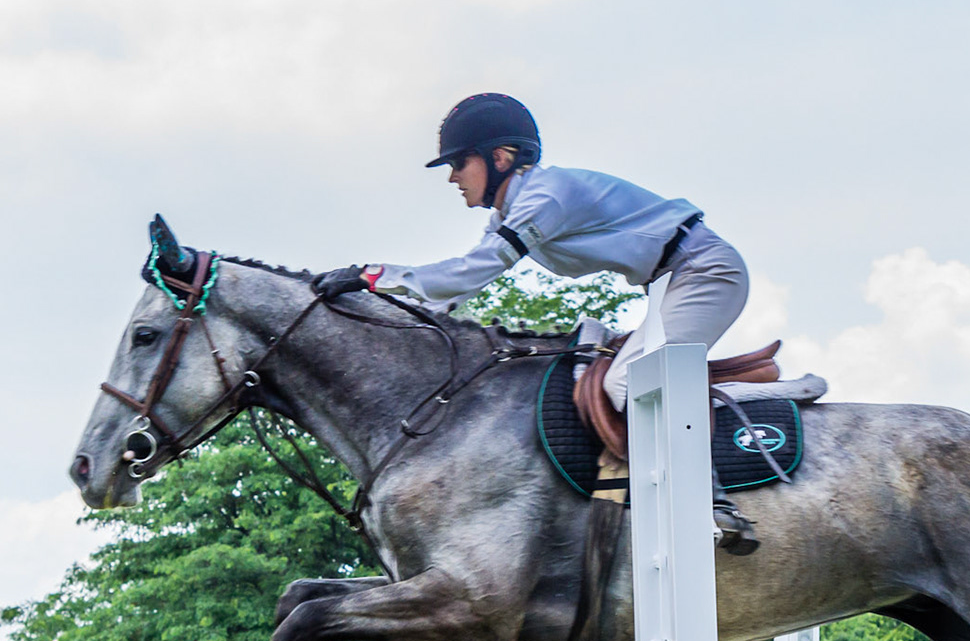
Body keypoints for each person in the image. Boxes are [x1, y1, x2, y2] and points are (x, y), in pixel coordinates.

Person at [311, 92, 758, 553]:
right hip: (674, 279)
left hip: (705, 272)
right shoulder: (514, 208)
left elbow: (472, 270)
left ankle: (712, 502)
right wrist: (385, 321)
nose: (452, 177)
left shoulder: (546, 198)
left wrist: (372, 276)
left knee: (627, 383)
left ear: (500, 158)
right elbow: (458, 287)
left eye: (460, 163)